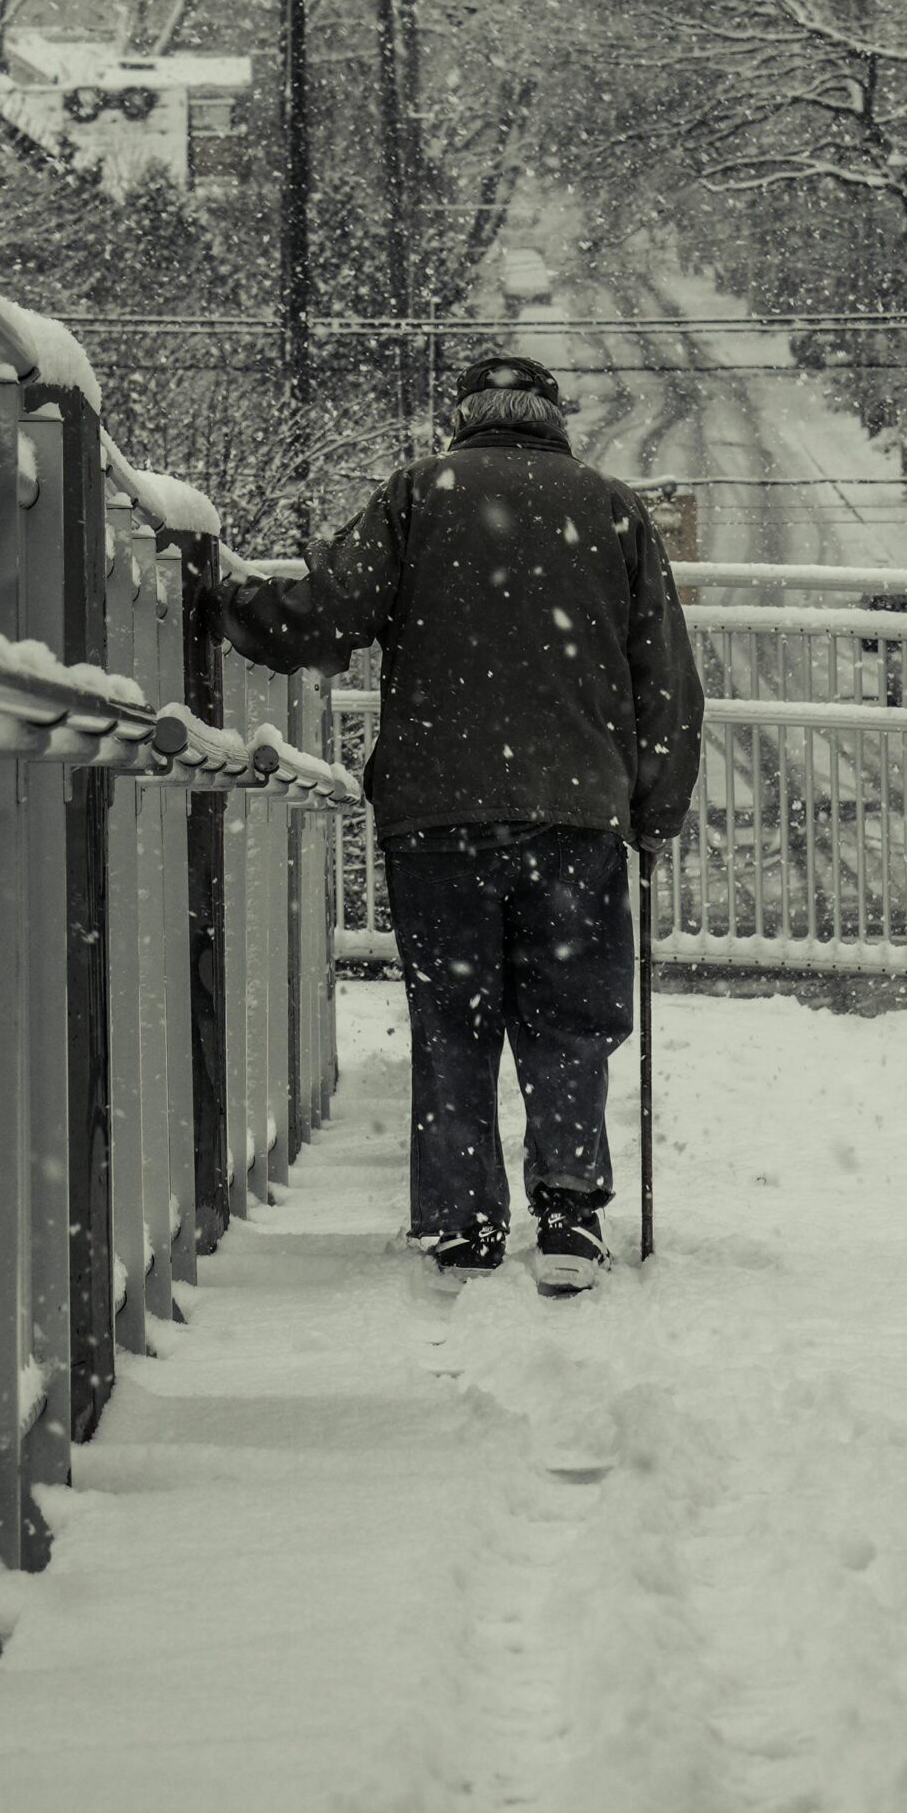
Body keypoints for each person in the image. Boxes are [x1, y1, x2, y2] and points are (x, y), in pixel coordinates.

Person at [207, 351, 704, 1296]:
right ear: (553, 420)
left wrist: (230, 605)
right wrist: (655, 804)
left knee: (453, 1017)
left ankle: (464, 1225)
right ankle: (568, 1216)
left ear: (466, 418)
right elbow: (667, 679)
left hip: (440, 814)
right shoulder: (611, 509)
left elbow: (327, 615)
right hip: (575, 812)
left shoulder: (418, 494)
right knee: (569, 1020)